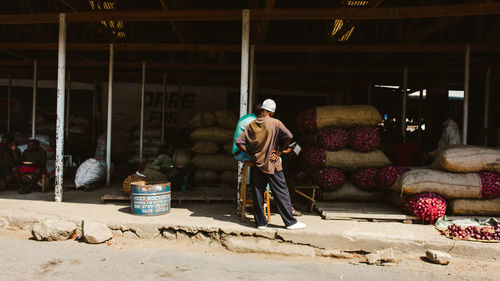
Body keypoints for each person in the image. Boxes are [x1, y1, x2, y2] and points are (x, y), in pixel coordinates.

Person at [236, 99, 306, 230]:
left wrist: (252, 154)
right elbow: (289, 136)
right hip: (273, 161)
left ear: (262, 109)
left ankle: (260, 223)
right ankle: (290, 222)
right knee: (281, 191)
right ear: (272, 113)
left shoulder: (251, 124)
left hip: (258, 160)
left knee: (258, 190)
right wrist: (280, 150)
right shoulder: (275, 122)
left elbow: (239, 142)